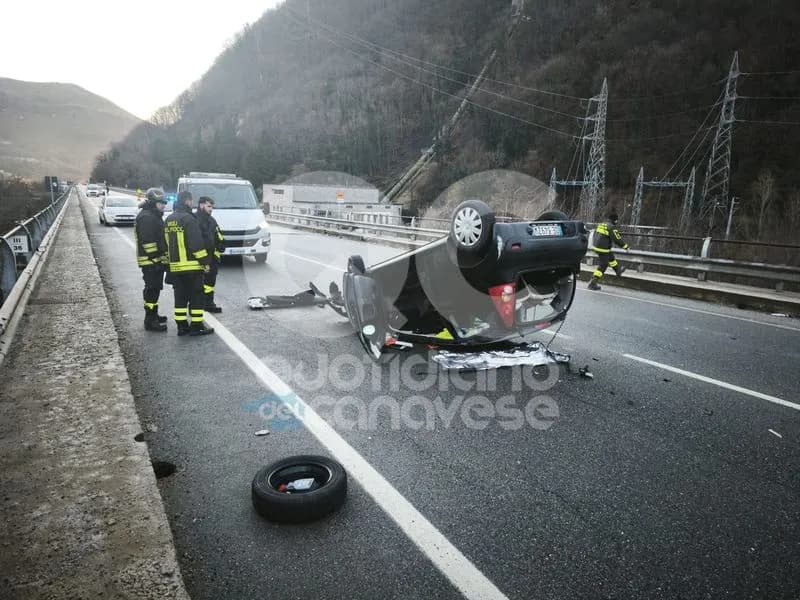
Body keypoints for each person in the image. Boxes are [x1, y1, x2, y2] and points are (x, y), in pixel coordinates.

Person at [164, 191, 215, 336]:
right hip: (192, 267)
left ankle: (181, 326)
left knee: (180, 297)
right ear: (187, 202)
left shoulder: (169, 219)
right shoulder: (189, 219)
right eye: (191, 201)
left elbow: (165, 244)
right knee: (196, 297)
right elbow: (196, 245)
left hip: (175, 268)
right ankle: (196, 326)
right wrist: (205, 262)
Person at [134, 188, 169, 332]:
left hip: (154, 261)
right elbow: (148, 242)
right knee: (152, 290)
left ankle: (154, 314)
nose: (164, 205)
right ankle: (150, 320)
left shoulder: (153, 215)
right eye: (161, 203)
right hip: (151, 262)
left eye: (164, 202)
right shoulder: (147, 217)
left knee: (154, 289)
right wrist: (155, 259)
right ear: (153, 203)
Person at [196, 196, 225, 313]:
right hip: (201, 257)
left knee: (210, 283)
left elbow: (218, 233)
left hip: (212, 258)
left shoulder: (211, 220)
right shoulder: (195, 219)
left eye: (212, 207)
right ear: (201, 205)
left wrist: (222, 243)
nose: (211, 209)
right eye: (209, 206)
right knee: (199, 284)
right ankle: (197, 305)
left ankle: (209, 303)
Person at [588, 211, 629, 291]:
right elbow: (617, 239)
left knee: (610, 257)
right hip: (603, 248)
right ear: (615, 220)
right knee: (603, 265)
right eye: (616, 220)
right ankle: (593, 283)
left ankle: (618, 271)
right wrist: (625, 246)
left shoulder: (602, 224)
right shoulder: (611, 227)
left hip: (597, 246)